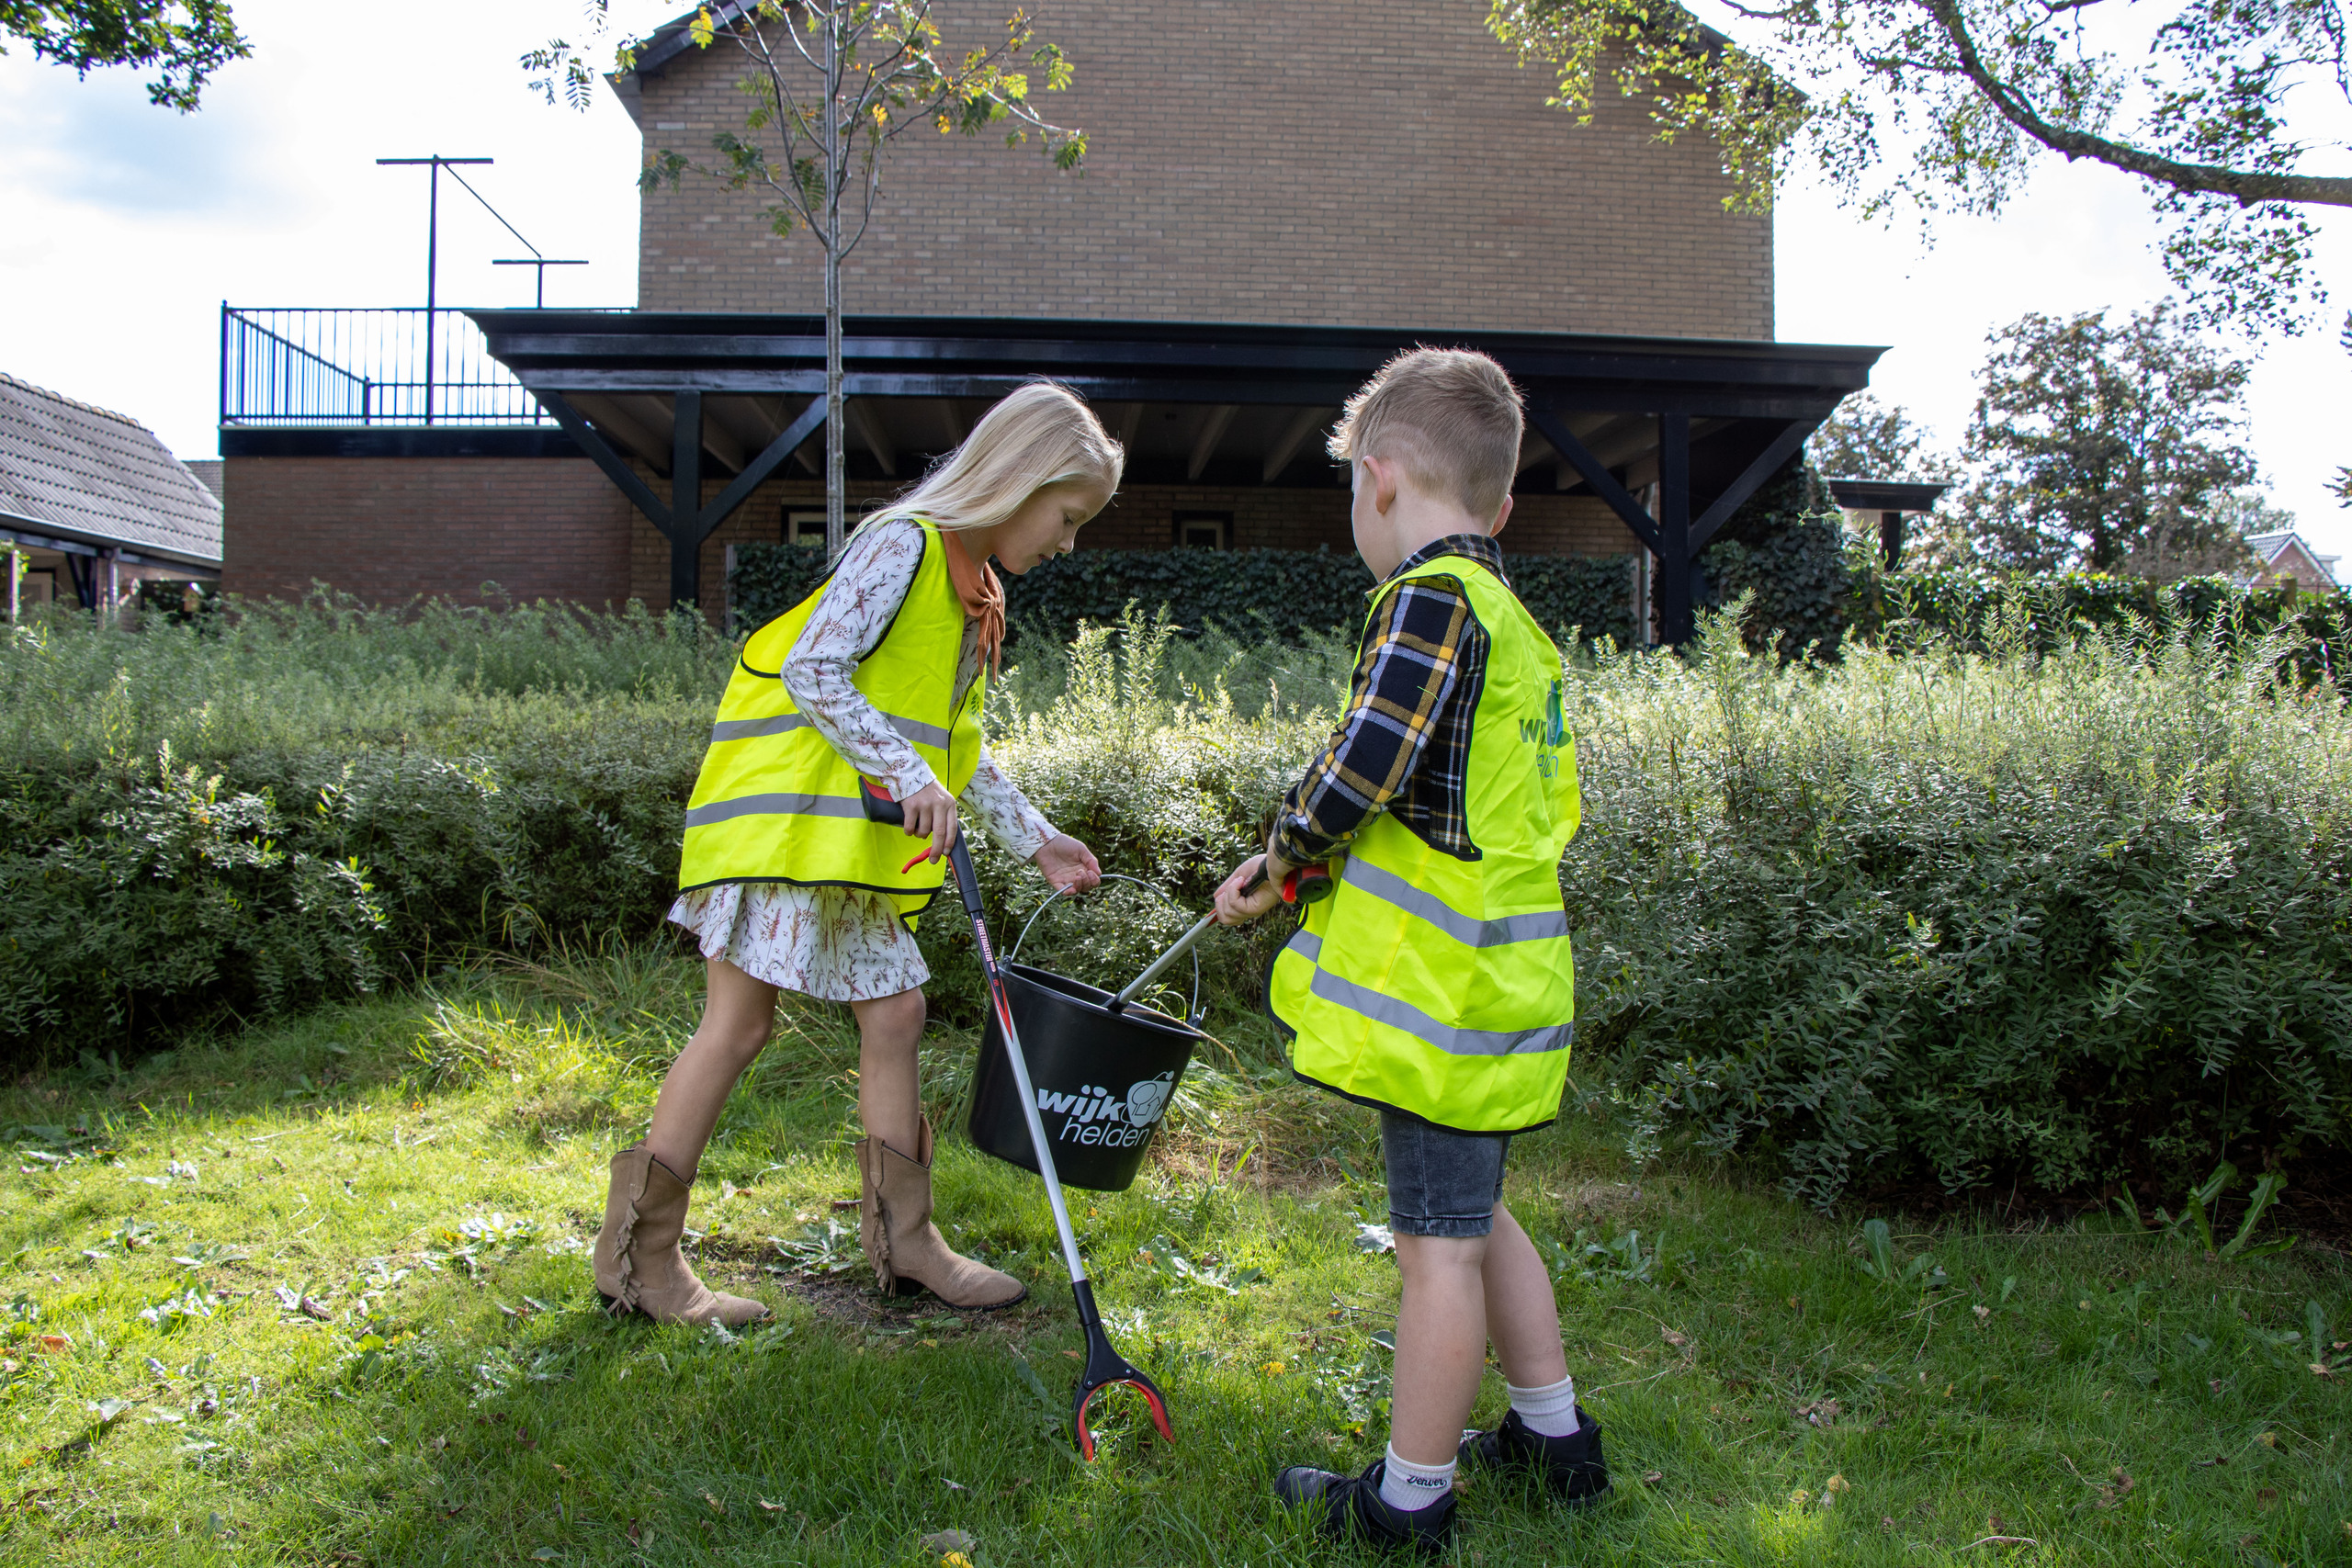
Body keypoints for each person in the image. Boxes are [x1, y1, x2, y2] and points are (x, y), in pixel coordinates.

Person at [592, 382, 1116, 1325]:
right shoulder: (904, 546)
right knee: (739, 1026)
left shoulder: (970, 589)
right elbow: (813, 666)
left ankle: (905, 1242)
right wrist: (900, 769)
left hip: (838, 847)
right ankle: (643, 1262)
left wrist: (1035, 838)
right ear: (1020, 479)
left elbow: (954, 751)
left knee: (898, 1013)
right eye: (1068, 516)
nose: (1068, 542)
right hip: (782, 832)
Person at [1213, 349, 1606, 1552]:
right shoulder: (1513, 622)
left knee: (1436, 1244)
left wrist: (1281, 851)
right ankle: (1555, 1442)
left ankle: (1408, 1502)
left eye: (1348, 499)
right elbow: (1442, 800)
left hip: (1444, 999)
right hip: (1502, 983)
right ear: (1498, 504)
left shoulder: (1428, 599)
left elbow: (1367, 763)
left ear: (1378, 480)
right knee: (1478, 1214)